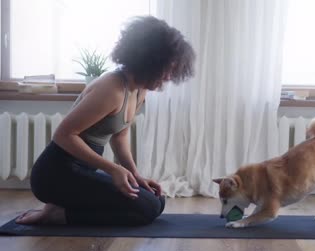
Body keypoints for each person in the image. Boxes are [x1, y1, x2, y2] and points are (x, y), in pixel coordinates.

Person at [15, 16, 195, 226]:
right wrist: (113, 169)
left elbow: (120, 135)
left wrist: (135, 175)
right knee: (146, 210)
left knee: (157, 200)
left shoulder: (139, 89)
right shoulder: (111, 88)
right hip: (56, 174)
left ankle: (62, 208)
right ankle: (57, 215)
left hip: (83, 171)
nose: (168, 77)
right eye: (168, 69)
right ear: (149, 60)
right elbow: (64, 135)